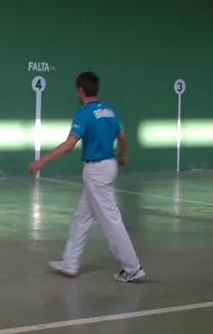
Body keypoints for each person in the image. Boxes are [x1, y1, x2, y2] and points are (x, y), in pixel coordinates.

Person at [29, 71, 146, 283]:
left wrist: (42, 161)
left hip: (96, 171)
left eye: (77, 90)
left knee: (111, 220)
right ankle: (70, 262)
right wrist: (123, 156)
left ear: (81, 91)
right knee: (82, 217)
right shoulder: (110, 111)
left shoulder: (84, 114)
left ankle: (132, 267)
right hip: (109, 166)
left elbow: (69, 146)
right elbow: (122, 137)